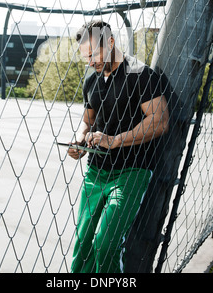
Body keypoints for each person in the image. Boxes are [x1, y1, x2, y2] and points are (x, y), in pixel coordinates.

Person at [68, 20, 169, 273]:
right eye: (85, 57)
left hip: (130, 172)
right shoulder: (91, 81)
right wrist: (79, 142)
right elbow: (86, 124)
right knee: (82, 244)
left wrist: (113, 141)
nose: (90, 61)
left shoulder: (141, 74)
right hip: (95, 173)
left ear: (111, 42)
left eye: (94, 54)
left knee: (105, 244)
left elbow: (160, 121)